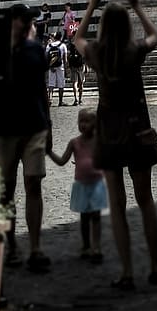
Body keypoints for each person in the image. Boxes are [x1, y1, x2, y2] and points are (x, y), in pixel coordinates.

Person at [74, 0, 157, 289]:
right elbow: (155, 36)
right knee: (146, 200)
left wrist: (91, 3)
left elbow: (77, 38)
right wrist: (137, 5)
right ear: (126, 27)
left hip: (110, 137)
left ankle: (127, 271)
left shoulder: (98, 53)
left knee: (118, 204)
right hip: (138, 132)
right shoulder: (133, 51)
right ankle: (155, 265)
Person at [0, 2, 52, 273]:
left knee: (32, 185)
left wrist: (49, 126)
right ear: (12, 22)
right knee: (7, 190)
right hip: (7, 128)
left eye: (30, 21)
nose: (30, 25)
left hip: (33, 126)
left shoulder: (35, 50)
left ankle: (35, 247)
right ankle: (12, 245)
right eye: (25, 20)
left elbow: (43, 90)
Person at [49, 107, 107, 262]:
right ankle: (86, 246)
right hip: (81, 185)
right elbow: (62, 161)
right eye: (81, 121)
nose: (83, 124)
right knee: (84, 217)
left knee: (96, 216)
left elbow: (107, 157)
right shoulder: (74, 142)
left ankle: (97, 246)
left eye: (87, 121)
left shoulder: (99, 141)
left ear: (95, 123)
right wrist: (49, 152)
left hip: (97, 184)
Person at [46, 31, 68, 107]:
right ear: (61, 37)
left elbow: (47, 57)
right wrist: (65, 69)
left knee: (51, 84)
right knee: (61, 85)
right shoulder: (63, 45)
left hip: (51, 67)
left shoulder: (49, 45)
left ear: (54, 37)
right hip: (60, 67)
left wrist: (50, 66)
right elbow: (65, 59)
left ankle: (50, 99)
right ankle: (60, 101)